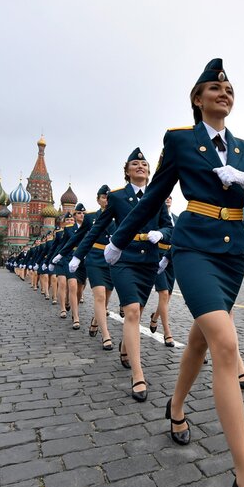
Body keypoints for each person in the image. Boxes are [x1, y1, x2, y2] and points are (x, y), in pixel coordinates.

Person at [105, 59, 244, 487]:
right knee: (225, 344)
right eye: (214, 87)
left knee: (202, 343)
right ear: (197, 99)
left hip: (230, 256)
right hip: (196, 246)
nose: (224, 92)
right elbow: (153, 195)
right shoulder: (181, 140)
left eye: (228, 87)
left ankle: (176, 405)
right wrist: (120, 237)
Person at [70, 148, 173, 402]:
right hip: (123, 260)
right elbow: (96, 230)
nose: (140, 166)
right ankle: (138, 375)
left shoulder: (157, 196)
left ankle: (126, 348)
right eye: (135, 164)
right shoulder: (116, 198)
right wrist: (77, 255)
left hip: (148, 262)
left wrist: (161, 235)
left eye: (144, 164)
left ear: (149, 172)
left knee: (136, 311)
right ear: (126, 171)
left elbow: (169, 228)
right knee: (133, 312)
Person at [81, 185, 117, 350]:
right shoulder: (90, 218)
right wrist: (75, 255)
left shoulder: (118, 215)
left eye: (109, 198)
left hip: (111, 260)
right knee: (100, 297)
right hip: (95, 258)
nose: (106, 201)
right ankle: (106, 335)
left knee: (107, 297)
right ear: (98, 199)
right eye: (103, 197)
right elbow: (79, 237)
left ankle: (96, 320)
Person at [56, 203, 93, 330]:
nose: (81, 215)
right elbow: (64, 245)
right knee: (71, 285)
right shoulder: (68, 230)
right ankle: (76, 316)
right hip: (70, 258)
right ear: (75, 214)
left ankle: (72, 305)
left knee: (79, 289)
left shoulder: (91, 227)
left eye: (83, 213)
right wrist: (58, 256)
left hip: (84, 260)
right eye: (79, 213)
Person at [149, 196, 177, 348]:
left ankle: (155, 318)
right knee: (164, 293)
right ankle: (167, 333)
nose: (167, 199)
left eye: (170, 197)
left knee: (168, 296)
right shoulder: (156, 215)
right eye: (165, 197)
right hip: (157, 256)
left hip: (172, 259)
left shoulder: (177, 218)